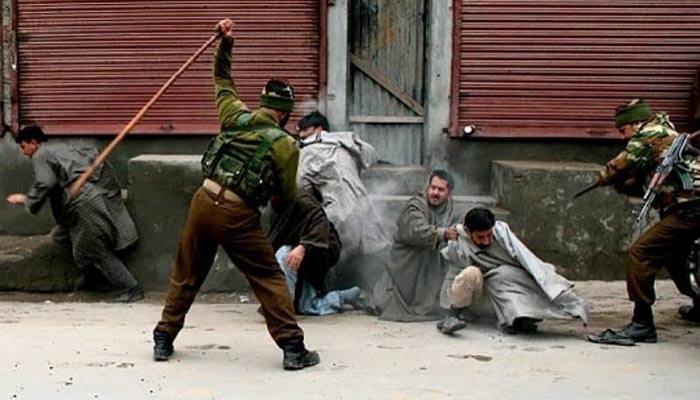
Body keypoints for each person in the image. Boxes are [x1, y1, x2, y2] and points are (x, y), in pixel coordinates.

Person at [152, 18, 319, 371]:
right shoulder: (285, 144)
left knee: (187, 273)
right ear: (284, 113)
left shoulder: (233, 114)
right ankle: (293, 348)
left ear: (262, 102)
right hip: (237, 214)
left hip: (203, 200)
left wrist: (225, 44)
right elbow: (286, 195)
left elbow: (222, 80)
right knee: (268, 277)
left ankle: (163, 338)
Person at [587, 99, 700, 346]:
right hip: (686, 207)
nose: (623, 136)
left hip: (691, 208)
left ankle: (642, 324)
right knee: (675, 257)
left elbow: (620, 165)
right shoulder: (662, 135)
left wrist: (602, 178)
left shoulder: (650, 133)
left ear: (635, 123)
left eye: (623, 129)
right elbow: (647, 178)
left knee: (640, 253)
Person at [5, 125, 142, 302]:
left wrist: (27, 200)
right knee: (62, 238)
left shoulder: (41, 155)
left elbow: (46, 182)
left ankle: (131, 287)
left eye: (23, 146)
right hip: (84, 201)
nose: (24, 152)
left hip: (83, 204)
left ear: (33, 143)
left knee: (93, 249)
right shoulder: (61, 149)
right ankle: (93, 280)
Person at [438, 207, 589, 335]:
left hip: (502, 291)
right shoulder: (457, 242)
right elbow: (454, 278)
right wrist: (448, 309)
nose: (486, 240)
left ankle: (517, 319)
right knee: (471, 273)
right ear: (468, 231)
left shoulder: (501, 232)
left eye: (489, 235)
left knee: (504, 274)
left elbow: (529, 261)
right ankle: (452, 318)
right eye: (480, 237)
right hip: (476, 297)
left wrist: (560, 293)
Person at [293, 111, 391, 289]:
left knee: (328, 257)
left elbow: (302, 190)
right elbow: (371, 155)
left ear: (318, 129)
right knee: (369, 259)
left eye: (304, 130)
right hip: (365, 208)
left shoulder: (307, 151)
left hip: (337, 213)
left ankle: (328, 294)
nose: (300, 135)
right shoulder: (346, 141)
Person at [377, 169, 459, 322]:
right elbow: (416, 231)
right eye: (433, 187)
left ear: (449, 193)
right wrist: (443, 234)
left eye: (441, 190)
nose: (435, 193)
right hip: (408, 265)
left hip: (434, 265)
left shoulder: (450, 210)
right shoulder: (415, 205)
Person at [268, 188, 365, 315]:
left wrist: (303, 247)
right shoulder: (276, 206)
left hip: (320, 248)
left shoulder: (301, 199)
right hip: (300, 251)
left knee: (284, 255)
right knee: (304, 306)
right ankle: (343, 296)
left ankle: (283, 308)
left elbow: (320, 223)